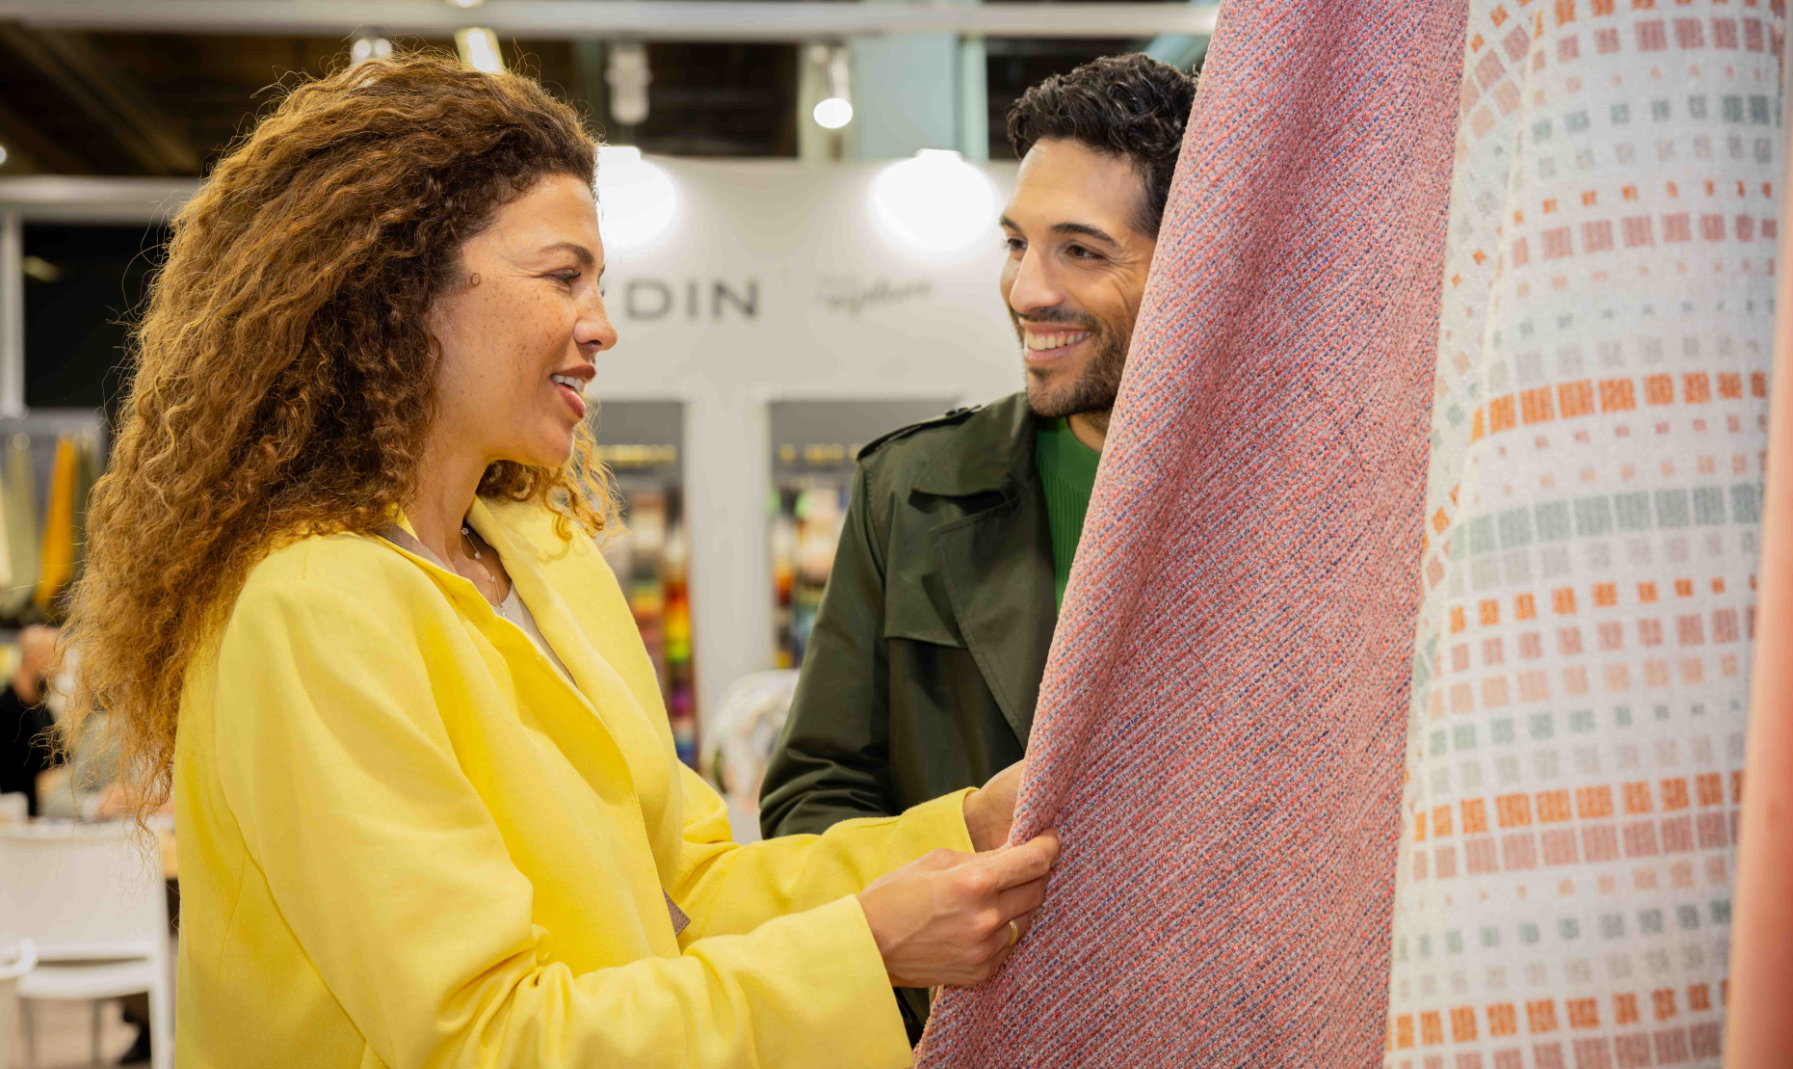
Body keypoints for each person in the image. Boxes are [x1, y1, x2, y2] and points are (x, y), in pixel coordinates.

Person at [60, 54, 1056, 1068]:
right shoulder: (312, 607)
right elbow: (484, 1039)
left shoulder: (546, 558)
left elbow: (694, 887)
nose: (602, 326)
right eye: (562, 276)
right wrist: (866, 947)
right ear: (399, 287)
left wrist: (965, 829)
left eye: (599, 282)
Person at [758, 52, 1197, 1036]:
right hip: (971, 1024)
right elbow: (811, 799)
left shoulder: (1289, 497)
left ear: (1194, 259)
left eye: (1080, 251)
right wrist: (932, 901)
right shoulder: (909, 492)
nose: (1026, 289)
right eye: (1015, 243)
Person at [0, 624, 58, 816]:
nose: (60, 668)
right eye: (54, 660)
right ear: (35, 660)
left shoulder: (43, 710)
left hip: (47, 822)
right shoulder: (6, 711)